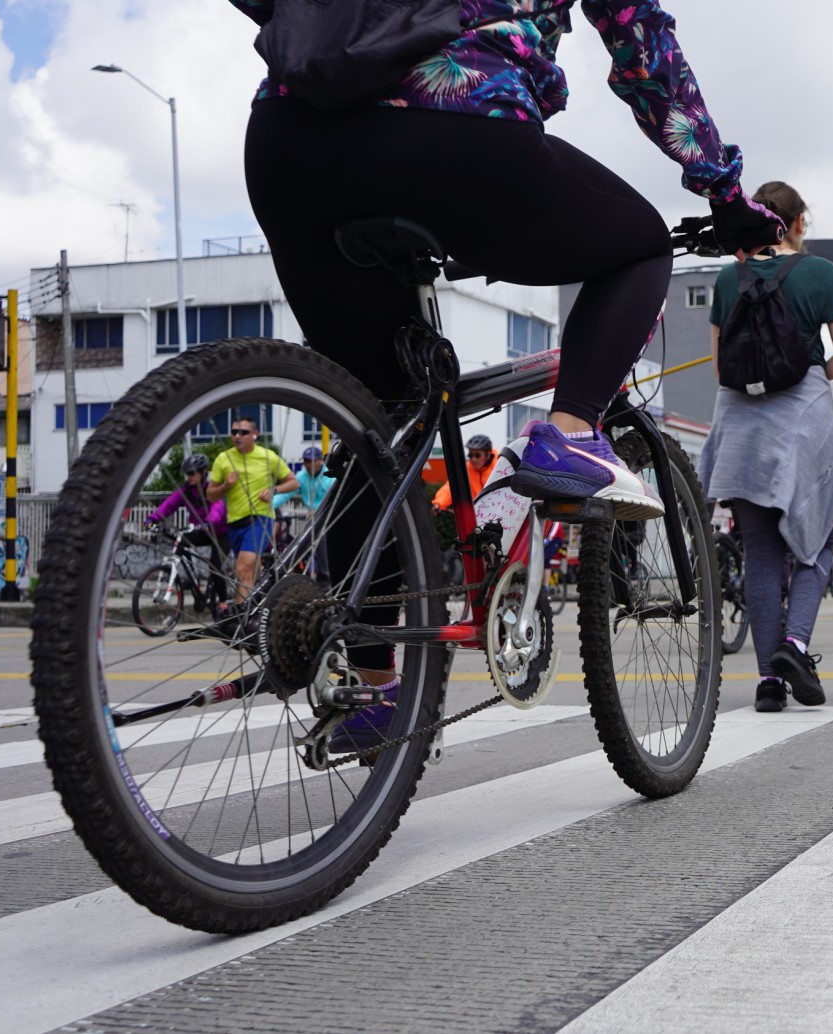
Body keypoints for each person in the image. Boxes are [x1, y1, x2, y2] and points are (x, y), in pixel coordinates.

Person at [226, 0, 784, 749]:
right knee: (641, 245)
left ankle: (373, 686)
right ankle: (572, 429)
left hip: (289, 142)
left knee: (376, 421)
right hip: (456, 125)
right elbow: (644, 50)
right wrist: (723, 191)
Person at [699, 180, 833, 714]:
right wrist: (807, 370)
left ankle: (769, 682)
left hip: (741, 429)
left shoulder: (728, 277)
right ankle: (795, 645)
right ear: (798, 223)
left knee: (762, 554)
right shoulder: (822, 273)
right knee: (816, 543)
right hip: (800, 426)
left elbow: (722, 368)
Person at [207, 416, 299, 608]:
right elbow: (210, 496)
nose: (237, 436)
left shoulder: (268, 456)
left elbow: (293, 482)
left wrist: (274, 490)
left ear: (255, 435)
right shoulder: (223, 459)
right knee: (250, 573)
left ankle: (240, 619)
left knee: (242, 569)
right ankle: (258, 610)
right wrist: (225, 485)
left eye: (243, 432)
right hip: (234, 522)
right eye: (234, 432)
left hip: (260, 519)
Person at [148, 453, 231, 604]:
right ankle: (194, 582)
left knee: (215, 566)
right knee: (181, 542)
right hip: (201, 531)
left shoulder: (211, 488)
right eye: (187, 474)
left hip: (220, 532)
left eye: (193, 473)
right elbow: (169, 505)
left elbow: (217, 508)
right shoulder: (186, 491)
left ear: (203, 472)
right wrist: (152, 519)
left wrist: (209, 522)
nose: (189, 477)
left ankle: (223, 603)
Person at [432, 435, 498, 512]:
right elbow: (451, 487)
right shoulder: (467, 468)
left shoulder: (499, 466)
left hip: (500, 511)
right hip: (478, 513)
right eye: (470, 455)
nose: (473, 459)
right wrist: (439, 503)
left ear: (488, 455)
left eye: (477, 455)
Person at [274, 445, 336, 512]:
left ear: (320, 459)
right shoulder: (301, 476)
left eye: (312, 460)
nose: (308, 464)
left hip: (330, 513)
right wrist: (268, 506)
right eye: (306, 461)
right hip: (313, 515)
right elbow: (286, 494)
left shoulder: (330, 475)